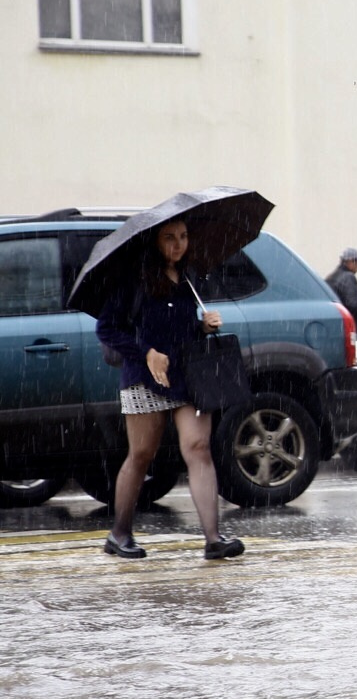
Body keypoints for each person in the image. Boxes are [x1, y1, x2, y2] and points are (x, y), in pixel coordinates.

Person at [94, 218, 245, 561]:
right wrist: (146, 353)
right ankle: (119, 533)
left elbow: (178, 326)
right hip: (143, 376)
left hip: (188, 376)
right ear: (154, 242)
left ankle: (213, 538)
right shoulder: (133, 279)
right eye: (170, 238)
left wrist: (202, 327)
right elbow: (107, 330)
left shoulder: (188, 278)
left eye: (184, 237)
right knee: (142, 455)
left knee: (199, 448)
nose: (179, 245)